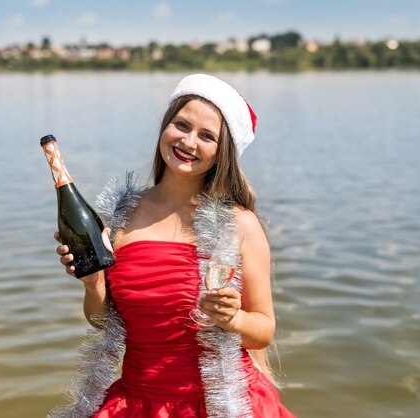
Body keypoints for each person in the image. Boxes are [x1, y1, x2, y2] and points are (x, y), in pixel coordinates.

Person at [51, 74, 294, 418]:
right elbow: (102, 320)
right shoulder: (122, 217)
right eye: (182, 125)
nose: (189, 141)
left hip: (220, 406)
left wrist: (233, 318)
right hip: (138, 403)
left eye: (207, 136)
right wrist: (92, 284)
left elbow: (263, 332)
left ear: (220, 153)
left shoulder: (240, 224)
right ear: (166, 126)